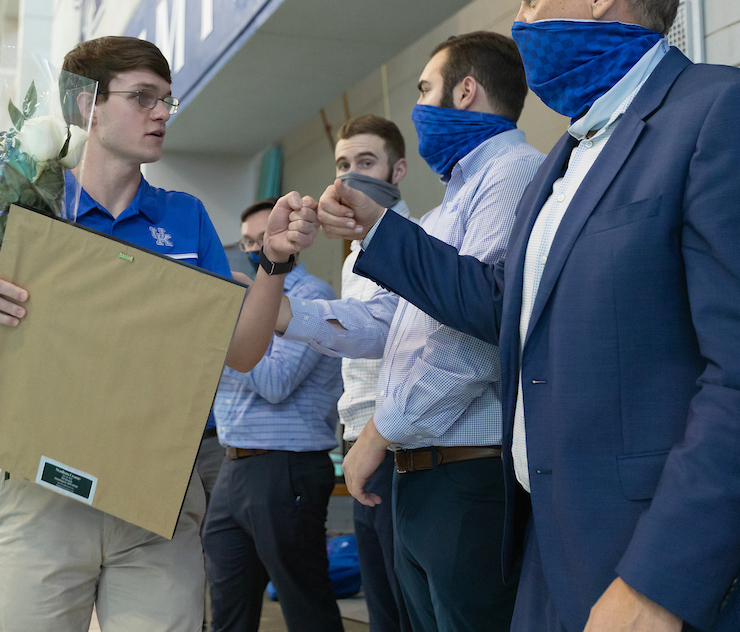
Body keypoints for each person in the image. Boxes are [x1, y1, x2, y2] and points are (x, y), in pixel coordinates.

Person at [318, 0, 740, 632]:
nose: (520, 24)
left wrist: (661, 583)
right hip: (553, 551)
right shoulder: (565, 158)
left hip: (664, 568)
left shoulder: (720, 113)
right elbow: (502, 309)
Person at [0, 36, 233, 632]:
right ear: (85, 106)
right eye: (143, 97)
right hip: (43, 495)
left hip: (154, 496)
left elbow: (229, 349)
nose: (162, 113)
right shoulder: (19, 214)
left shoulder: (186, 219)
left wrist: (271, 268)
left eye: (168, 100)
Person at [243, 33, 544, 632]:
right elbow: (390, 324)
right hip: (423, 469)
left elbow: (476, 334)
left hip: (464, 466)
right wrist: (284, 314)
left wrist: (380, 431)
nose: (420, 108)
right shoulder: (450, 205)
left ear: (466, 91)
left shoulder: (510, 174)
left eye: (426, 90)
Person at [203, 199, 344, 632]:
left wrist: (225, 330)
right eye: (247, 242)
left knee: (304, 604)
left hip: (285, 465)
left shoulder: (309, 295)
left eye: (261, 239)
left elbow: (277, 381)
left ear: (289, 238)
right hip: (234, 463)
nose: (253, 248)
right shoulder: (241, 299)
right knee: (228, 608)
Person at [332, 114, 412, 632]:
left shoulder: (418, 239)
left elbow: (386, 336)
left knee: (407, 611)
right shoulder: (352, 255)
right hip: (356, 440)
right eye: (343, 164)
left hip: (395, 443)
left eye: (366, 162)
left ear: (396, 170)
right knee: (381, 607)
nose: (352, 173)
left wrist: (294, 318)